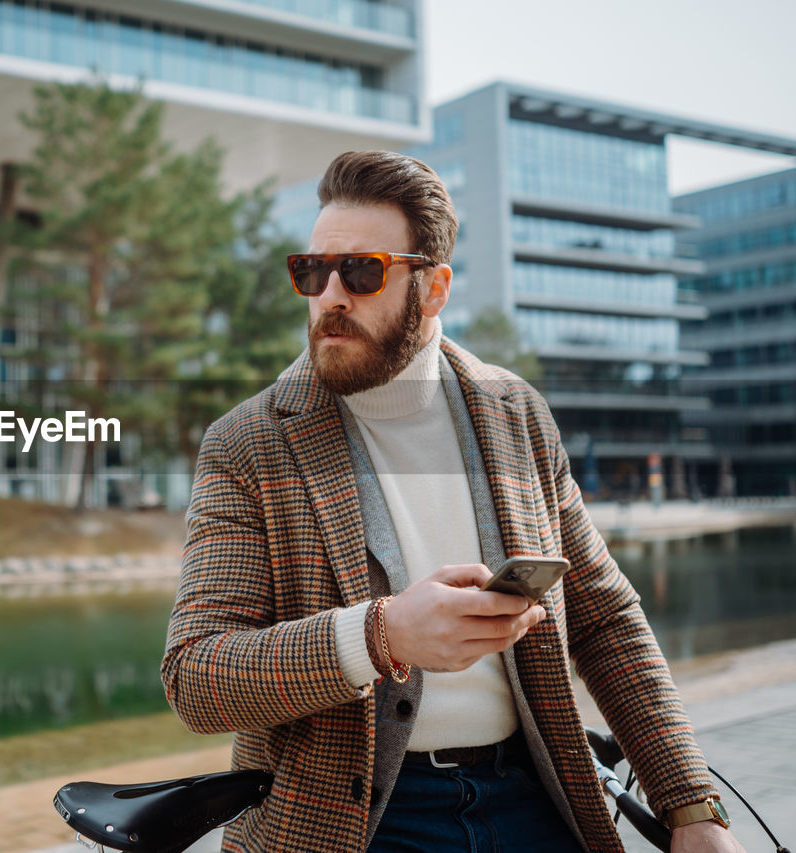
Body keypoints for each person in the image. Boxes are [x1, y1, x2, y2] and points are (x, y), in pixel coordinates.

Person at [161, 150, 744, 853]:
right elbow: (196, 675)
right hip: (350, 826)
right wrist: (383, 635)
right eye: (311, 271)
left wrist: (690, 804)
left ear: (433, 288)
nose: (331, 296)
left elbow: (605, 620)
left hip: (537, 799)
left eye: (362, 270)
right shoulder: (246, 443)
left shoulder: (517, 412)